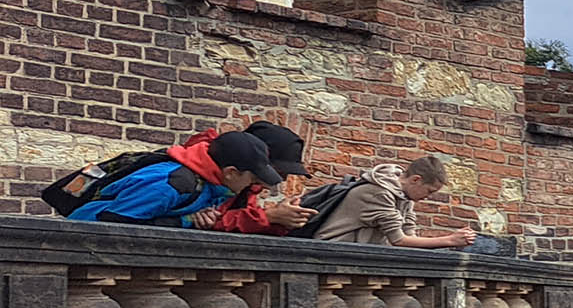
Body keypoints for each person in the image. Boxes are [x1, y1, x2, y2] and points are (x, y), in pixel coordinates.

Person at [61, 127, 309, 231]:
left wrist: (197, 219)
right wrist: (186, 220)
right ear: (232, 172)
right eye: (253, 179)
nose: (257, 186)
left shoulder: (215, 183)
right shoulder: (170, 184)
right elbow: (115, 226)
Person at [311, 152, 478, 248]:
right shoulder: (378, 192)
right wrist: (449, 240)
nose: (428, 197)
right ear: (415, 180)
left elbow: (410, 237)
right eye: (429, 191)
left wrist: (452, 241)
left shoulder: (405, 197)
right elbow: (398, 240)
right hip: (332, 252)